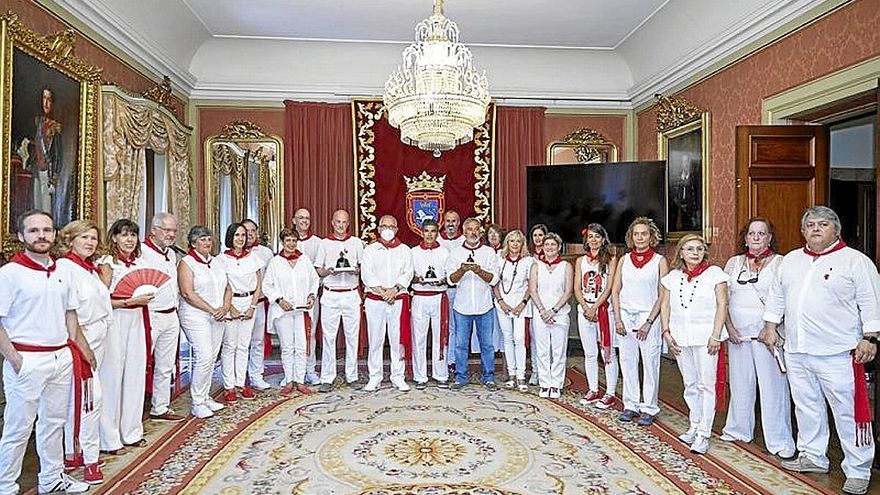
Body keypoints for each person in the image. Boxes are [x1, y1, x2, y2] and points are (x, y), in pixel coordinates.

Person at [761, 206, 879, 495]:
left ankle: (858, 469)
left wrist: (871, 337)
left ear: (836, 230)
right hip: (798, 349)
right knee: (806, 406)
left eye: (823, 224)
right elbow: (777, 296)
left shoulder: (855, 261)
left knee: (848, 413)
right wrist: (771, 326)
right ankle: (813, 456)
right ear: (803, 231)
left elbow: (871, 300)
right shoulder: (790, 260)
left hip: (838, 353)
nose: (815, 229)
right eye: (810, 224)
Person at [0, 210, 92, 494]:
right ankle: (6, 485)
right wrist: (14, 359)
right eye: (34, 230)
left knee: (54, 423)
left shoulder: (62, 270)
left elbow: (70, 313)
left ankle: (52, 479)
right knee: (18, 428)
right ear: (21, 236)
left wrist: (76, 348)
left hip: (60, 357)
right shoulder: (9, 274)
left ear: (54, 234)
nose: (41, 235)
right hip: (27, 359)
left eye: (47, 230)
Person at [721, 218, 795, 458]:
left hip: (767, 336)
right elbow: (723, 299)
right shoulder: (733, 263)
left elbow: (786, 299)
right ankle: (738, 429)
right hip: (739, 336)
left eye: (761, 233)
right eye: (752, 233)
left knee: (773, 388)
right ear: (745, 238)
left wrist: (771, 327)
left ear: (769, 238)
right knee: (741, 384)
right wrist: (728, 327)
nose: (756, 237)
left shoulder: (781, 263)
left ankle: (780, 441)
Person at [660, 234, 728, 455]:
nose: (695, 253)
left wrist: (716, 335)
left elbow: (722, 305)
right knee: (690, 383)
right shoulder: (672, 277)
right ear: (681, 253)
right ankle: (695, 424)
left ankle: (704, 434)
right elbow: (665, 306)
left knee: (706, 385)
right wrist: (666, 332)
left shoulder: (715, 274)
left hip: (706, 338)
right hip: (680, 337)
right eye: (690, 249)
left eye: (699, 249)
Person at [57, 220, 112, 484]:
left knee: (78, 398)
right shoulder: (65, 268)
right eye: (83, 238)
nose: (89, 242)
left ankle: (72, 452)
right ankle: (90, 459)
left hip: (99, 335)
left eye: (92, 238)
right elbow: (69, 313)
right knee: (91, 398)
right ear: (70, 240)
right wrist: (84, 346)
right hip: (81, 338)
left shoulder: (88, 268)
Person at [97, 219, 151, 452]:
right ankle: (109, 437)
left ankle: (131, 431)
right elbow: (101, 300)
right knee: (112, 376)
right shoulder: (108, 263)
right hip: (115, 320)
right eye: (124, 235)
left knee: (135, 375)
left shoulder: (140, 262)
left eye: (133, 235)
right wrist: (130, 301)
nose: (129, 239)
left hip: (137, 319)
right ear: (115, 238)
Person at [611, 217, 668, 427]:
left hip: (648, 318)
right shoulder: (624, 260)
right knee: (627, 361)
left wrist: (650, 321)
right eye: (636, 234)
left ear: (651, 236)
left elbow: (663, 294)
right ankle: (631, 404)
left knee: (650, 363)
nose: (640, 237)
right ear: (631, 237)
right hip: (625, 315)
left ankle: (649, 407)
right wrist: (617, 318)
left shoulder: (659, 261)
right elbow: (615, 290)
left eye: (644, 233)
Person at [178, 225, 231, 419]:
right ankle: (197, 401)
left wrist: (224, 308)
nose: (207, 243)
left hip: (218, 314)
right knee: (205, 355)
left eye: (209, 239)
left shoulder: (217, 262)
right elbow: (187, 293)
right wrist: (212, 310)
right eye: (202, 240)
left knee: (213, 355)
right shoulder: (186, 263)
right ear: (193, 243)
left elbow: (228, 288)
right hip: (196, 315)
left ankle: (206, 395)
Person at [140, 212, 185, 422]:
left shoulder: (172, 254)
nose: (171, 234)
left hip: (171, 314)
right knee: (140, 364)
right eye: (166, 230)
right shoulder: (142, 252)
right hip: (150, 315)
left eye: (174, 231)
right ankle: (135, 409)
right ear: (154, 230)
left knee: (166, 365)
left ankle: (161, 406)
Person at [262, 229, 319, 396]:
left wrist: (311, 296)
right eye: (288, 240)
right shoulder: (275, 262)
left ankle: (300, 380)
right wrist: (279, 300)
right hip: (283, 311)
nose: (291, 244)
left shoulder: (304, 260)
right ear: (282, 242)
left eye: (294, 240)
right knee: (287, 347)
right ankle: (289, 380)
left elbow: (314, 280)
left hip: (301, 310)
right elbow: (267, 285)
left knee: (301, 346)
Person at [361, 215, 414, 392]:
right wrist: (383, 292)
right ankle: (375, 377)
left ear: (397, 229)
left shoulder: (405, 250)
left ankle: (397, 376)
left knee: (397, 340)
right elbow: (366, 274)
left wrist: (395, 290)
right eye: (384, 226)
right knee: (375, 340)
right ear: (378, 228)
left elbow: (408, 272)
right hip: (375, 300)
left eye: (392, 226)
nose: (388, 229)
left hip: (397, 300)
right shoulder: (369, 250)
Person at [447, 218, 500, 389]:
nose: (473, 232)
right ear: (463, 232)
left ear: (480, 232)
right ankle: (461, 377)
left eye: (476, 229)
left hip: (484, 305)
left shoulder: (488, 252)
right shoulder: (455, 253)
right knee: (461, 344)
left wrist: (479, 271)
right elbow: (450, 280)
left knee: (487, 344)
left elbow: (494, 279)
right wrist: (462, 270)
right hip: (462, 306)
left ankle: (488, 376)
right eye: (469, 229)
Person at [317, 210, 364, 390]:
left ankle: (351, 375)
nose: (341, 225)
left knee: (352, 336)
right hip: (331, 294)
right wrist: (328, 271)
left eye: (344, 222)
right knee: (329, 337)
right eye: (338, 222)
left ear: (348, 223)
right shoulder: (325, 243)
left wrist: (356, 270)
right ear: (332, 222)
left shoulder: (356, 243)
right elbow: (318, 270)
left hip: (351, 293)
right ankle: (328, 377)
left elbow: (362, 267)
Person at [574, 224, 619, 409]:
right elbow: (577, 287)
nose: (593, 240)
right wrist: (586, 307)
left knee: (607, 352)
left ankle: (610, 392)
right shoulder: (580, 261)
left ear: (603, 239)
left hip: (603, 310)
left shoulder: (610, 259)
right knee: (590, 352)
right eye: (590, 237)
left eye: (597, 237)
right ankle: (593, 389)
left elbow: (609, 287)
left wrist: (595, 307)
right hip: (584, 310)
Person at [219, 223, 263, 402]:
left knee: (244, 345)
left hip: (249, 301)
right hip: (231, 302)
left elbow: (259, 283)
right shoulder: (221, 259)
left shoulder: (253, 258)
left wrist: (252, 307)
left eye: (243, 235)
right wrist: (230, 307)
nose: (240, 239)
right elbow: (222, 285)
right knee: (230, 345)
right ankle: (228, 386)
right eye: (237, 235)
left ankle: (240, 383)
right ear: (231, 237)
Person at [528, 233, 573, 399]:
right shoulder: (536, 266)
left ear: (559, 247)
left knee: (558, 350)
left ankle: (556, 384)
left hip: (560, 314)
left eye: (553, 245)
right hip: (540, 313)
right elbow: (533, 290)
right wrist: (542, 311)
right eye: (547, 245)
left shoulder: (566, 266)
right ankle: (544, 383)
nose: (549, 247)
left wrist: (553, 310)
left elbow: (568, 291)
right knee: (542, 350)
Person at [410, 220, 451, 389]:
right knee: (418, 338)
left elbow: (450, 274)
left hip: (438, 296)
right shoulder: (413, 252)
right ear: (421, 232)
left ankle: (440, 374)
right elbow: (407, 274)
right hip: (419, 296)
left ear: (437, 233)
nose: (429, 234)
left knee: (440, 338)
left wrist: (444, 280)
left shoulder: (445, 252)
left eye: (433, 231)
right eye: (426, 231)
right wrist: (415, 278)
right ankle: (420, 376)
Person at [492, 229, 533, 391]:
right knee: (507, 338)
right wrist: (501, 301)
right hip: (503, 304)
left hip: (520, 306)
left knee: (519, 339)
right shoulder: (499, 259)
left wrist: (522, 303)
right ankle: (511, 375)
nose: (515, 244)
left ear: (522, 244)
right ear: (507, 243)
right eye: (511, 241)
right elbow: (495, 282)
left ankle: (521, 376)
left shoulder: (528, 261)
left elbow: (531, 285)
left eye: (518, 241)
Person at [24, 88, 69, 223]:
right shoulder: (35, 123)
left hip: (47, 170)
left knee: (45, 206)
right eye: (44, 98)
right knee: (35, 202)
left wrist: (54, 175)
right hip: (35, 168)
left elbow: (58, 154)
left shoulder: (55, 127)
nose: (46, 103)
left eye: (49, 99)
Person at [243, 219, 275, 390]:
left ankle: (256, 375)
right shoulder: (229, 254)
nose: (249, 234)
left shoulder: (266, 253)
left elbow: (271, 278)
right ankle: (237, 378)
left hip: (260, 302)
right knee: (238, 344)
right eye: (245, 231)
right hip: (238, 304)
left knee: (257, 341)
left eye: (253, 230)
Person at [293, 208, 322, 385]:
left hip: (311, 297)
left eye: (307, 218)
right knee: (291, 336)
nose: (304, 221)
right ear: (294, 220)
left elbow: (319, 271)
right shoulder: (286, 242)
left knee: (309, 333)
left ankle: (310, 370)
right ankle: (293, 372)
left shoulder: (318, 243)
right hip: (290, 298)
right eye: (301, 218)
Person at [527, 223, 548, 385]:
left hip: (550, 300)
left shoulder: (552, 256)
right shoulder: (528, 256)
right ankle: (536, 370)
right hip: (533, 300)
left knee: (551, 338)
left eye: (541, 235)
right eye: (535, 235)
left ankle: (548, 371)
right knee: (535, 337)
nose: (538, 238)